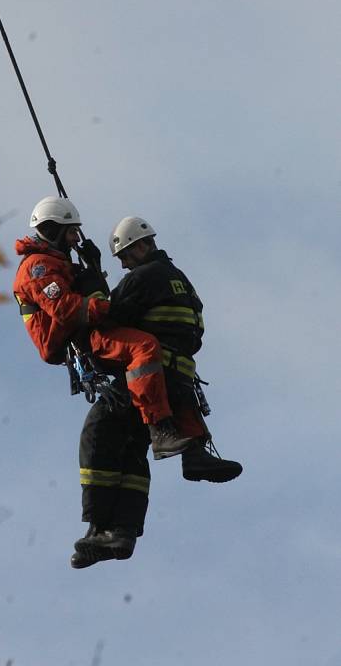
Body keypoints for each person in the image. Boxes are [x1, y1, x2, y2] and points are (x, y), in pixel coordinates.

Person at [71, 216, 242, 568]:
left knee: (98, 434)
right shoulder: (180, 279)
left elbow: (108, 314)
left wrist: (91, 279)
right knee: (133, 449)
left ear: (140, 246)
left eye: (124, 256)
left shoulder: (144, 277)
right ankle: (124, 531)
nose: (122, 264)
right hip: (178, 377)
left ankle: (99, 526)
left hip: (146, 378)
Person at [13, 197, 195, 460]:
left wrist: (93, 269)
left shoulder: (61, 265)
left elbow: (90, 300)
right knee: (144, 346)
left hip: (85, 332)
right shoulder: (37, 267)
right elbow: (66, 309)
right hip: (73, 338)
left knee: (165, 359)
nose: (76, 239)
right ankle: (160, 431)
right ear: (53, 231)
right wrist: (112, 310)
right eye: (72, 231)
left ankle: (190, 446)